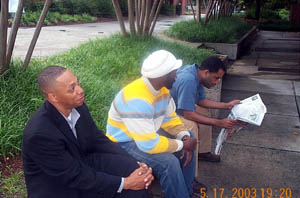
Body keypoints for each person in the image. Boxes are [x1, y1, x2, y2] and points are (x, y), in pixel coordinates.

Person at [22, 66, 154, 198]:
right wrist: (125, 183)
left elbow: (97, 139)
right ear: (53, 97)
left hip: (83, 163)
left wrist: (136, 164)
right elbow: (73, 176)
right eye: (72, 89)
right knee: (129, 187)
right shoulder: (39, 134)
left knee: (136, 173)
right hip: (60, 187)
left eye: (78, 83)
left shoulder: (77, 107)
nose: (80, 91)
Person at [106, 50, 203, 198]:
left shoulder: (162, 89)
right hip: (124, 143)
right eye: (174, 73)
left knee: (189, 135)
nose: (176, 77)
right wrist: (183, 145)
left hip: (144, 135)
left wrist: (184, 138)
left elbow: (169, 119)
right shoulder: (136, 100)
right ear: (163, 75)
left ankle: (187, 191)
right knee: (168, 163)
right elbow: (149, 145)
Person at [170, 56, 240, 163]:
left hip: (179, 106)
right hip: (168, 112)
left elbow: (201, 101)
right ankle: (191, 173)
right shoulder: (189, 80)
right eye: (216, 78)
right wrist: (218, 122)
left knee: (204, 111)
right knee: (191, 126)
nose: (217, 82)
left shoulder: (197, 73)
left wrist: (227, 105)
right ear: (206, 72)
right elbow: (188, 114)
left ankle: (202, 152)